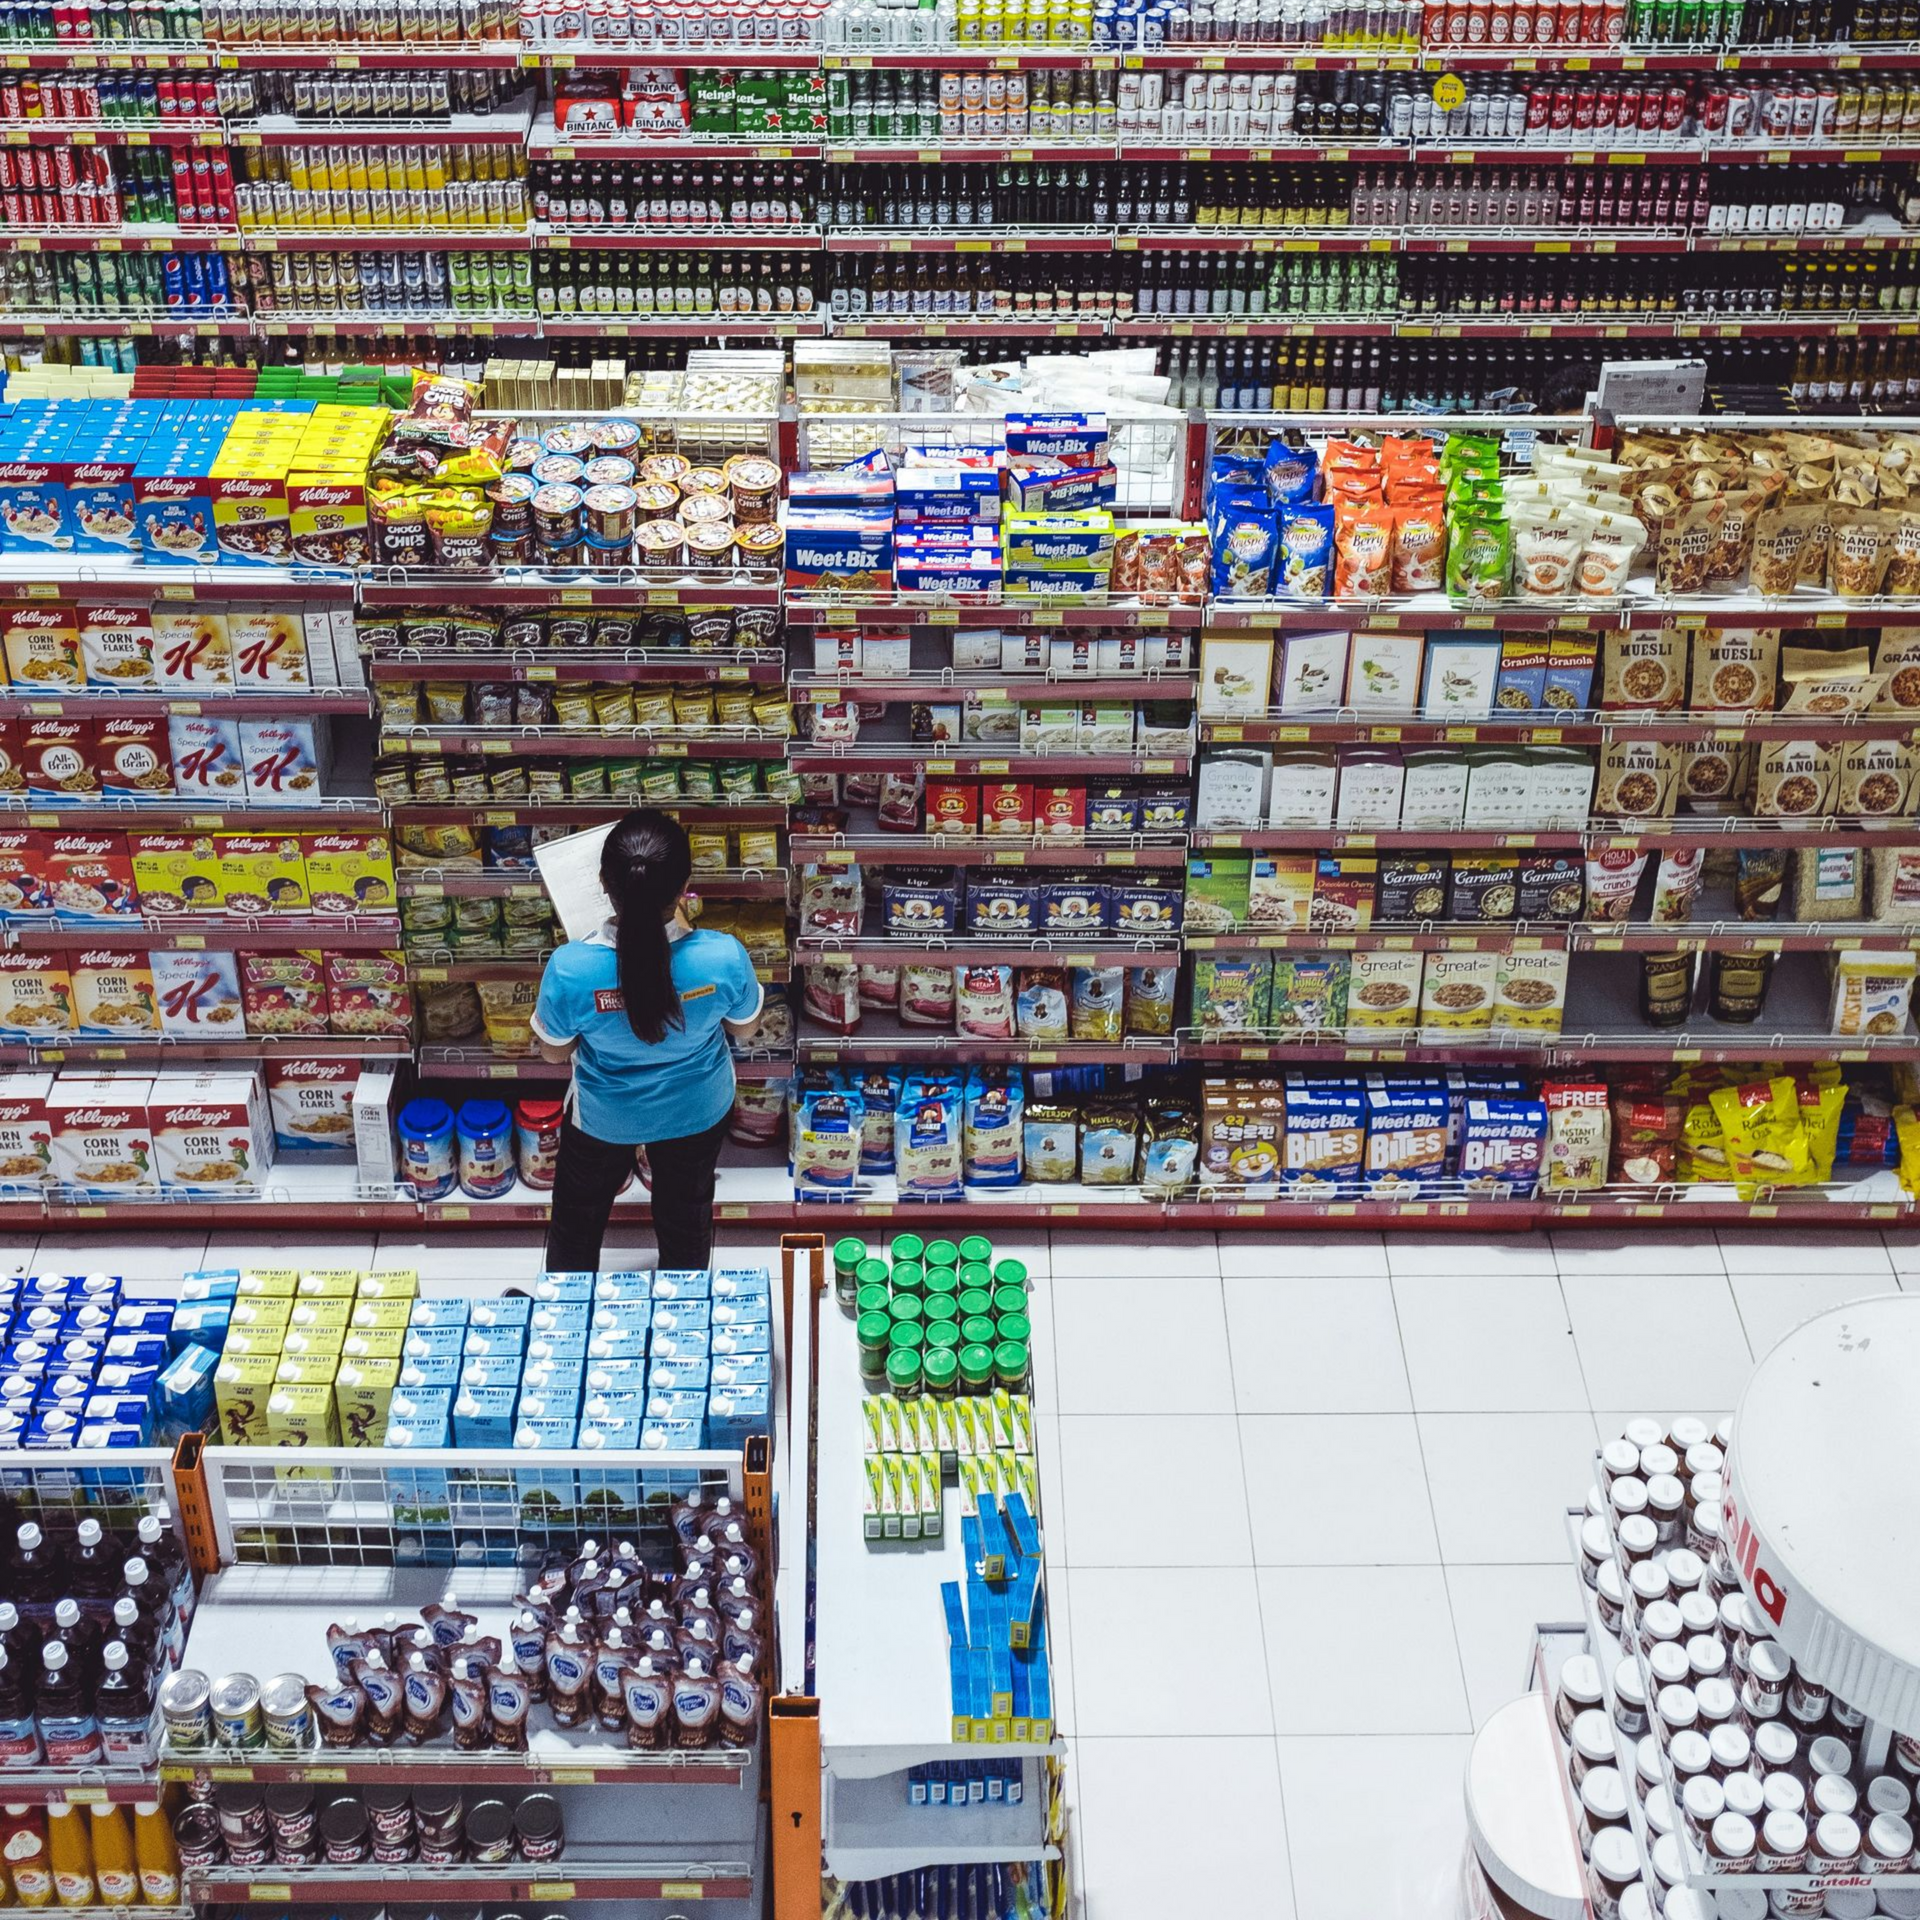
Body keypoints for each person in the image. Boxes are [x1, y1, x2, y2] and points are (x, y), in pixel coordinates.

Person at [531, 807, 763, 1274]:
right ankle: (686, 1313)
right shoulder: (723, 956)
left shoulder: (571, 967)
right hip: (696, 1109)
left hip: (604, 1116)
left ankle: (569, 1321)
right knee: (685, 1214)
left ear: (601, 882)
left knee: (578, 1217)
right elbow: (745, 1029)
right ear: (685, 887)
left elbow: (554, 1052)